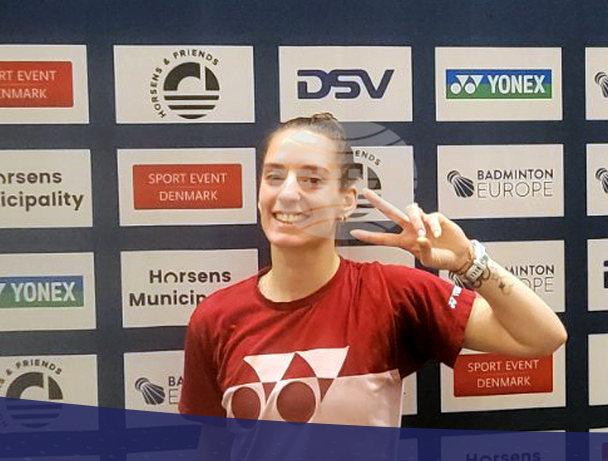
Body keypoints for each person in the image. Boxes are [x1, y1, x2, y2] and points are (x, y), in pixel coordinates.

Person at [179, 113, 567, 426]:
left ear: (347, 201)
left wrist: (468, 259)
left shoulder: (391, 294)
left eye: (311, 179)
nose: (288, 193)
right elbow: (210, 460)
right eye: (274, 176)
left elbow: (543, 337)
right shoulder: (216, 317)